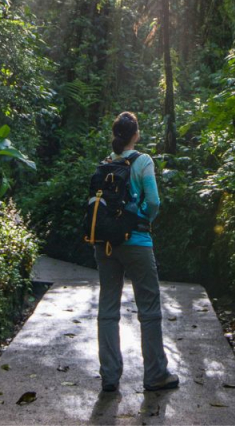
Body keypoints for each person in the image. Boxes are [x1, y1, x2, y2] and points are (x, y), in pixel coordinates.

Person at [95, 112, 179, 394]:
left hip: (105, 243)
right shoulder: (143, 161)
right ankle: (155, 374)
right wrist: (141, 219)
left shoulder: (106, 163)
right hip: (137, 242)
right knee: (149, 308)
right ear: (136, 134)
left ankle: (109, 376)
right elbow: (153, 201)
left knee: (108, 308)